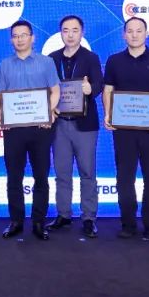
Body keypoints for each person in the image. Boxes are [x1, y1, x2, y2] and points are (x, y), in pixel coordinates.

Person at [102, 17, 149, 241]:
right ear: (123, 35)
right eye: (130, 31)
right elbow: (108, 90)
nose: (134, 35)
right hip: (123, 130)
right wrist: (108, 113)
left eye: (139, 31)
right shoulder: (114, 61)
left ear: (147, 34)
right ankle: (128, 224)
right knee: (124, 178)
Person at [0, 20, 60, 240]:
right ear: (11, 39)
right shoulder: (5, 64)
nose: (19, 39)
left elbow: (55, 91)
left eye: (24, 35)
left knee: (41, 176)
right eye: (15, 36)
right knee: (14, 177)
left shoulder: (46, 62)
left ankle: (39, 222)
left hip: (41, 128)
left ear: (33, 38)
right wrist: (3, 113)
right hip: (14, 130)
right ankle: (16, 221)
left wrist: (49, 112)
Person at [45, 15, 105, 239]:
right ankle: (63, 214)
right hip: (60, 123)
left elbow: (99, 84)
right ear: (60, 33)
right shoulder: (52, 59)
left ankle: (88, 217)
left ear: (82, 32)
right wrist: (51, 106)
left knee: (87, 172)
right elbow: (46, 88)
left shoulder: (91, 58)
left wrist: (91, 89)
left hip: (85, 124)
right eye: (66, 30)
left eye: (74, 30)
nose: (70, 35)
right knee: (62, 172)